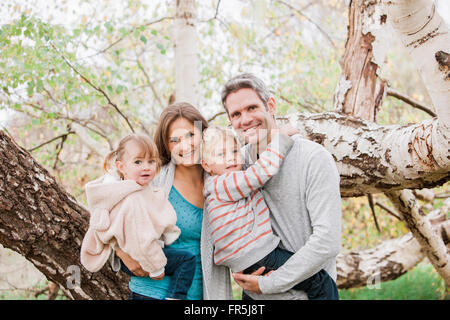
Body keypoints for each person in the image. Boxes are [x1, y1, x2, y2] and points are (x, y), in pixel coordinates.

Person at [217, 73, 342, 300]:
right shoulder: (235, 164)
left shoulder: (313, 158)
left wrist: (270, 283)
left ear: (270, 105)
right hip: (254, 298)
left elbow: (327, 242)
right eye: (236, 114)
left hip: (308, 295)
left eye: (252, 108)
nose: (245, 120)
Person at [201, 126, 339, 300]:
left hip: (245, 259)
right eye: (221, 154)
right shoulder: (225, 183)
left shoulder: (216, 183)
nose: (231, 157)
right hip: (257, 253)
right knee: (320, 282)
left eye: (235, 151)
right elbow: (261, 172)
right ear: (206, 165)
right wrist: (280, 138)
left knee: (256, 294)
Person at [112, 102, 233, 300]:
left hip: (203, 294)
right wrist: (119, 251)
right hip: (152, 292)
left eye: (191, 135)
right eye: (174, 140)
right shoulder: (153, 178)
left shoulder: (220, 177)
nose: (185, 145)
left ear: (203, 133)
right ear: (166, 146)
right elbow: (108, 204)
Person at [80, 133, 196, 300]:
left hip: (134, 255)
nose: (146, 167)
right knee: (187, 260)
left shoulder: (119, 189)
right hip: (138, 256)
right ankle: (176, 296)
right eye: (138, 162)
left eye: (151, 161)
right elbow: (142, 241)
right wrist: (156, 267)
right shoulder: (133, 198)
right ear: (121, 166)